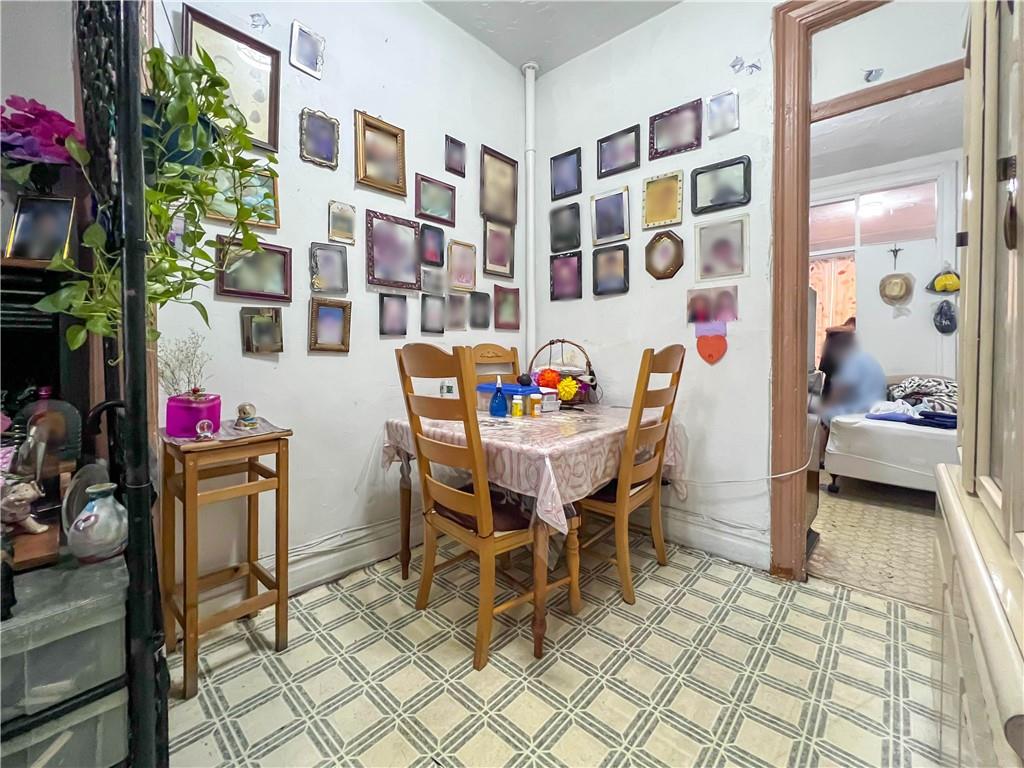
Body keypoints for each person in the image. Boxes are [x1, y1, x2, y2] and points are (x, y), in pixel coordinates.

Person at [818, 333, 885, 425]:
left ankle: (823, 439)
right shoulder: (870, 359)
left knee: (822, 416)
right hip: (876, 410)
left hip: (857, 412)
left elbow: (840, 390)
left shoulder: (851, 361)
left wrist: (823, 409)